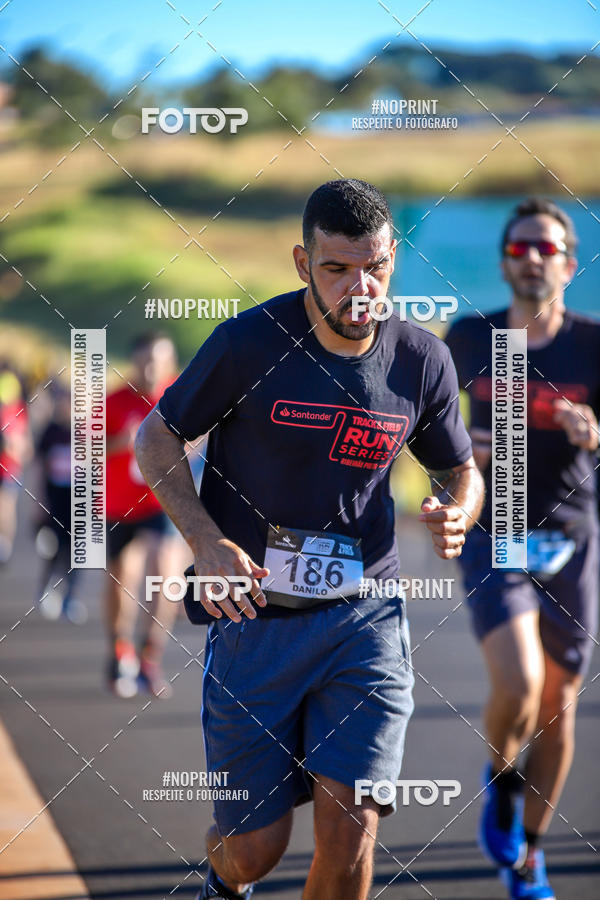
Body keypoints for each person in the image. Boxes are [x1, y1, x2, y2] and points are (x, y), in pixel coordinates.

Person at [135, 179, 483, 900]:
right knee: (254, 851)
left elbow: (461, 470)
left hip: (366, 616)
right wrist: (202, 540)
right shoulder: (246, 344)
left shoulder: (423, 360)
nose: (361, 287)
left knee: (353, 825)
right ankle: (223, 878)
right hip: (253, 620)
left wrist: (460, 508)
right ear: (302, 264)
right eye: (337, 269)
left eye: (377, 267)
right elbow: (157, 434)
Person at [446, 197, 600, 900]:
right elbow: (425, 429)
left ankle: (531, 854)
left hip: (571, 537)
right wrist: (461, 453)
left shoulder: (593, 345)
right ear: (505, 260)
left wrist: (592, 433)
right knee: (519, 684)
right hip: (495, 530)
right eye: (519, 247)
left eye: (546, 247)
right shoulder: (469, 338)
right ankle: (501, 778)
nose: (532, 257)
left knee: (559, 703)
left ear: (569, 262)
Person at [105, 333, 181, 698]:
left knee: (165, 571)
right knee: (123, 578)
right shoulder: (114, 400)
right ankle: (121, 651)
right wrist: (122, 443)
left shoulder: (181, 396)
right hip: (119, 505)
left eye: (159, 360)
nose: (151, 368)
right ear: (134, 362)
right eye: (145, 361)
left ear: (170, 362)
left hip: (161, 502)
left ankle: (151, 657)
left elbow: (206, 435)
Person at [33, 383, 86, 623]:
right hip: (55, 500)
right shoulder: (50, 431)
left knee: (78, 553)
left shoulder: (87, 432)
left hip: (79, 501)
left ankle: (70, 598)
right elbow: (39, 468)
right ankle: (45, 590)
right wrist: (39, 501)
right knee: (52, 549)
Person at [0, 361, 32, 564]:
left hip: (10, 468)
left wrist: (16, 446)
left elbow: (26, 447)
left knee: (6, 506)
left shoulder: (19, 410)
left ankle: (4, 545)